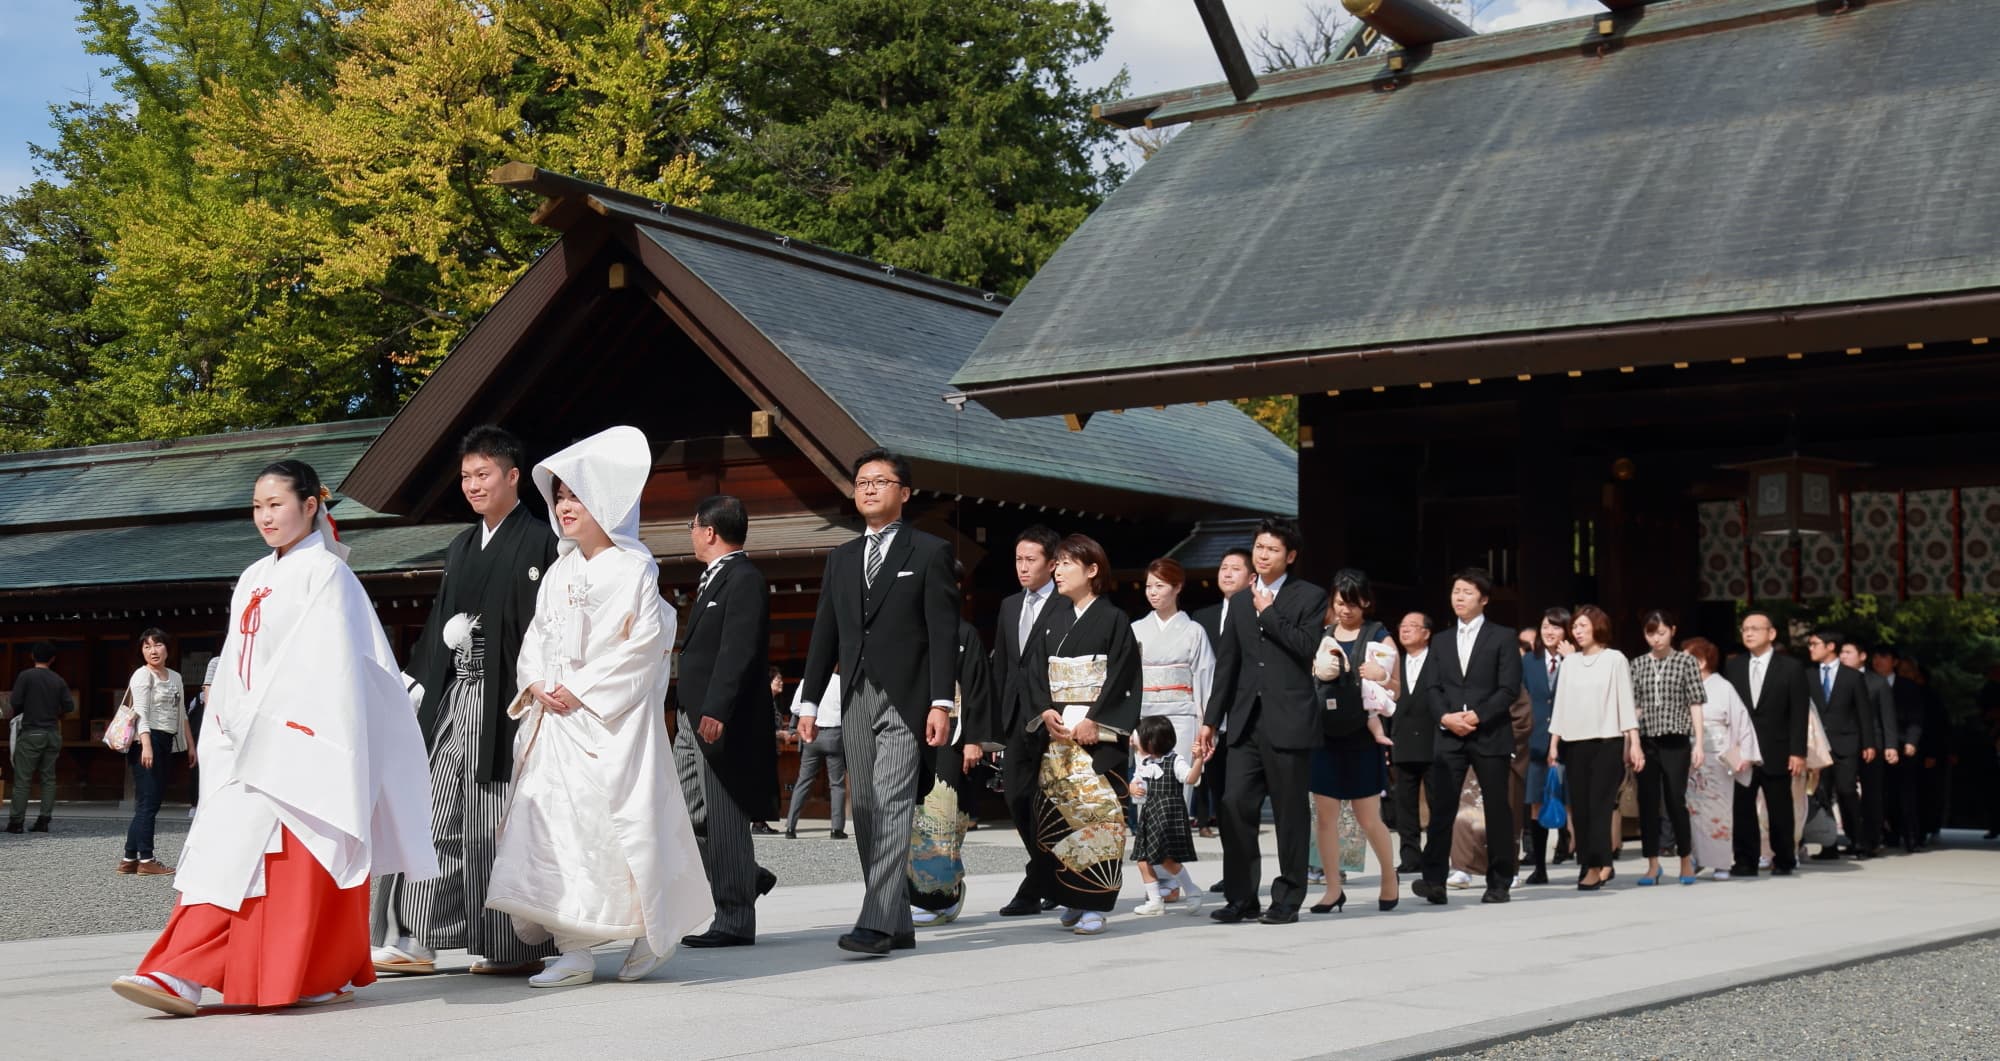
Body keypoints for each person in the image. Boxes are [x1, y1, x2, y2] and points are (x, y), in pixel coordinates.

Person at [111, 460, 436, 1016]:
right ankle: (286, 971)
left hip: (299, 740)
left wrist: (272, 724)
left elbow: (332, 665)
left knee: (262, 861)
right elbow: (236, 661)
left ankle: (182, 972)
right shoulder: (254, 576)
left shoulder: (329, 575)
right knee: (236, 856)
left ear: (311, 506)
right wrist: (226, 723)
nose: (265, 516)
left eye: (276, 504)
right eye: (257, 506)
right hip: (244, 739)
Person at [482, 426, 713, 988]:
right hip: (553, 724)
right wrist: (536, 682)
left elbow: (645, 645)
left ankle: (647, 931)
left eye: (575, 496)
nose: (563, 506)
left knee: (615, 828)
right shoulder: (559, 571)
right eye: (559, 496)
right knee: (554, 831)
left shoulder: (635, 569)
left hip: (607, 725)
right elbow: (536, 637)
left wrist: (582, 690)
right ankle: (575, 947)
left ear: (605, 502)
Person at [374, 425, 560, 978]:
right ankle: (413, 936)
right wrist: (421, 675)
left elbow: (546, 629)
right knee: (431, 809)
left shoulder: (541, 542)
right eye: (465, 477)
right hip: (456, 694)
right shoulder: (460, 545)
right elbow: (438, 625)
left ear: (513, 476)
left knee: (492, 821)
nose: (473, 485)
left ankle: (510, 942)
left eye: (483, 474)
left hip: (510, 701)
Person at [795, 448, 958, 957]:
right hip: (855, 696)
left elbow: (942, 631)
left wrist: (940, 703)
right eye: (861, 481)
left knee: (890, 803)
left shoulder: (929, 552)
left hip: (908, 698)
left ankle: (877, 923)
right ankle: (896, 919)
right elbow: (825, 631)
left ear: (904, 493)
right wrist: (808, 701)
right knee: (864, 806)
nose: (868, 489)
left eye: (881, 481)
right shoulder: (841, 558)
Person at [1198, 517, 1329, 925]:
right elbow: (1228, 665)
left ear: (1289, 556)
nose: (1263, 554)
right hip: (1244, 721)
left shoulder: (1310, 596)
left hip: (1288, 720)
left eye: (1272, 549)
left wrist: (1270, 612)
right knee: (1234, 805)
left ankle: (1287, 898)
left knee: (1291, 812)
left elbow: (1306, 648)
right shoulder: (1238, 600)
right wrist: (1210, 720)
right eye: (1259, 547)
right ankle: (1241, 897)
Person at [674, 494, 782, 949]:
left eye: (694, 526)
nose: (692, 534)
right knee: (678, 812)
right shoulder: (711, 579)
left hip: (719, 720)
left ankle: (736, 918)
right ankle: (747, 874)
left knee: (722, 817)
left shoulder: (743, 579)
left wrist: (717, 708)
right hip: (689, 716)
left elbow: (739, 649)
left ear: (710, 531)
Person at [1025, 533, 1141, 936]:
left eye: (1066, 564)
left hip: (1095, 736)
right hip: (1058, 736)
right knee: (1059, 814)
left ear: (1092, 570)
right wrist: (1044, 710)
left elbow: (1125, 676)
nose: (1056, 570)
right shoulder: (1052, 618)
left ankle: (1095, 902)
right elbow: (1035, 671)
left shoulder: (1113, 619)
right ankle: (1072, 895)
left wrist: (1098, 719)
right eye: (1055, 563)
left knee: (1100, 814)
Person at [1413, 568, 1523, 906]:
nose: (1459, 597)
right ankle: (1434, 881)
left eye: (1467, 592)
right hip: (1449, 735)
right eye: (1456, 591)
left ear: (1484, 599)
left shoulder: (1503, 637)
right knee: (1442, 807)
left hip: (1489, 733)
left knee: (1497, 809)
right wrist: (1446, 716)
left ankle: (1499, 881)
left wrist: (1477, 715)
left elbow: (1508, 688)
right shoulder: (1442, 640)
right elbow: (1431, 686)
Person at [1305, 569, 1401, 914]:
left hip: (1362, 734)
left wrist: (1383, 676)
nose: (1345, 610)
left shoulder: (1380, 637)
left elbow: (1397, 691)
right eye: (1339, 602)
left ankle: (1389, 878)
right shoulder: (1323, 635)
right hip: (1325, 734)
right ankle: (1333, 888)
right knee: (1325, 818)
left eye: (1352, 603)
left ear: (1366, 603)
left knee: (1367, 816)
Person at [988, 525, 1072, 916]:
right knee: (1017, 798)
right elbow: (1003, 666)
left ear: (1052, 564)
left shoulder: (1068, 604)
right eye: (1018, 560)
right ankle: (1047, 874)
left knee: (1056, 804)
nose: (1022, 567)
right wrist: (994, 726)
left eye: (1030, 560)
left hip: (1056, 718)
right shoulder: (1008, 606)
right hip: (1017, 718)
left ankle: (1036, 884)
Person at [908, 570, 995, 926]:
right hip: (912, 731)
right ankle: (914, 893)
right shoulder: (909, 631)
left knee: (941, 814)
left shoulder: (964, 633)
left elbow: (978, 689)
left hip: (953, 732)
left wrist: (974, 739)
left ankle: (941, 896)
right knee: (910, 816)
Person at [1545, 605, 1641, 891]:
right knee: (1582, 808)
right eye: (1575, 627)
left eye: (1583, 626)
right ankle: (1593, 862)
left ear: (1598, 627)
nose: (1577, 631)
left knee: (1600, 806)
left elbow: (1625, 701)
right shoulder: (1570, 663)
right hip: (1575, 742)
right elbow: (1561, 704)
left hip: (1607, 741)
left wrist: (1633, 742)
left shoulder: (1615, 659)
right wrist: (1553, 743)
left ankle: (1595, 865)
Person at [1723, 611, 1808, 878]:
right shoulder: (1734, 667)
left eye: (1755, 629)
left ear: (1771, 634)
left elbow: (1798, 713)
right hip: (1744, 751)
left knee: (1779, 807)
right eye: (1745, 629)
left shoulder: (1791, 668)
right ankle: (1745, 860)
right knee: (1742, 807)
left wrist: (1798, 751)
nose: (1748, 633)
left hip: (1778, 748)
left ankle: (1784, 858)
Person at [1131, 558, 1215, 821]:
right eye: (1148, 586)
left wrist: (1206, 725)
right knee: (1146, 786)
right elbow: (1128, 681)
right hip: (1145, 716)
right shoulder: (1136, 630)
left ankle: (1171, 855)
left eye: (1160, 585)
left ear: (1178, 587)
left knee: (1177, 789)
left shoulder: (1193, 631)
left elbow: (1205, 678)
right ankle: (1152, 854)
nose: (1152, 592)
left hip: (1182, 716)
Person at [1630, 610, 1706, 886]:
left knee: (1676, 799)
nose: (1656, 638)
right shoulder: (1637, 664)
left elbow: (1695, 702)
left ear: (1672, 630)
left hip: (1676, 739)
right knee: (1647, 802)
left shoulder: (1686, 662)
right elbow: (1633, 707)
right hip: (1647, 740)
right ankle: (1652, 863)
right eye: (1651, 633)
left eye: (1661, 632)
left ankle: (1686, 858)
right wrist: (1633, 743)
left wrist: (1699, 742)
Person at [1681, 637, 1761, 879]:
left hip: (1716, 755)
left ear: (1702, 661)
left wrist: (1746, 753)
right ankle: (1695, 857)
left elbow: (1741, 721)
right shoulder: (1684, 687)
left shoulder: (1722, 687)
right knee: (1693, 809)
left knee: (1718, 809)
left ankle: (1721, 862)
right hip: (1692, 756)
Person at [1189, 547, 1249, 848]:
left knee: (1240, 797)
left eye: (1235, 568)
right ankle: (1231, 870)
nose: (1226, 573)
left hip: (1244, 715)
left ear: (1252, 578)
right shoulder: (1201, 618)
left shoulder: (1257, 612)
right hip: (1209, 719)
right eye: (1223, 567)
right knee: (1219, 792)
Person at [120, 629, 192, 876]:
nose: (153, 650)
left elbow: (181, 713)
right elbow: (140, 712)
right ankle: (146, 859)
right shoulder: (142, 675)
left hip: (165, 740)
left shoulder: (175, 677)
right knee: (149, 803)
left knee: (147, 803)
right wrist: (147, 745)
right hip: (146, 741)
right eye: (147, 646)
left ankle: (129, 858)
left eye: (158, 645)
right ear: (142, 651)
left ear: (167, 649)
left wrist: (190, 744)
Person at [1803, 628, 1879, 860]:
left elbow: (1863, 713)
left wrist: (1869, 743)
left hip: (1846, 743)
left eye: (1815, 644)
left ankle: (1859, 841)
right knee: (1820, 795)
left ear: (1830, 646)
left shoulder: (1853, 676)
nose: (1811, 648)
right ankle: (1829, 844)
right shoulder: (1808, 675)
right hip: (1818, 746)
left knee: (1847, 791)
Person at [1129, 715, 1204, 916]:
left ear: (1152, 741)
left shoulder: (1175, 760)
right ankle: (1154, 900)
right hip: (1150, 814)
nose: (1136, 743)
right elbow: (1135, 780)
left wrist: (1198, 760)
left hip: (1168, 814)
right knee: (1142, 859)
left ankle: (1191, 890)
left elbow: (1191, 778)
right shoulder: (1145, 762)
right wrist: (1133, 788)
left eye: (1140, 739)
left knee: (1165, 859)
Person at [1519, 609, 1570, 884]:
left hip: (1571, 740)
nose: (1549, 632)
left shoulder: (1576, 661)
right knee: (1536, 803)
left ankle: (1585, 860)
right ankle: (1540, 866)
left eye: (1556, 627)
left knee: (1574, 802)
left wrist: (1573, 660)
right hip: (1536, 740)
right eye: (1545, 626)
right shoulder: (1529, 661)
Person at [7, 641, 73, 833]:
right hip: (52, 733)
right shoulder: (58, 680)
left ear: (32, 656)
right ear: (53, 659)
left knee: (23, 779)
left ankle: (16, 822)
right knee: (49, 779)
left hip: (31, 732)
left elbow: (15, 701)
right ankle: (43, 820)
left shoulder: (25, 676)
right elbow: (69, 707)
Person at [1388, 612, 1437, 874]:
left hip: (1433, 741)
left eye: (1412, 627)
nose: (1405, 631)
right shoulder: (1395, 663)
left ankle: (1435, 854)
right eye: (1402, 626)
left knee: (1437, 802)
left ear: (1426, 633)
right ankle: (1410, 856)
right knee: (1404, 805)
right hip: (1403, 741)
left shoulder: (1439, 662)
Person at [1843, 638, 1896, 857]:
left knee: (1872, 793)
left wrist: (1891, 745)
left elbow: (1887, 715)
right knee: (1845, 789)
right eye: (1841, 653)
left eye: (1848, 652)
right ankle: (1854, 836)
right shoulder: (1838, 680)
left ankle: (1872, 839)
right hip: (1845, 743)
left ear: (1862, 656)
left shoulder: (1877, 682)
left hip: (1873, 742)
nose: (1843, 656)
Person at [1872, 645, 1925, 852]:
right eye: (1875, 656)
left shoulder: (1908, 686)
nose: (1878, 660)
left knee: (1905, 793)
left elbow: (1916, 717)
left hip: (1902, 745)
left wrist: (1912, 741)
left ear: (1894, 662)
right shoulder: (1867, 682)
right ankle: (1886, 834)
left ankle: (1911, 836)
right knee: (1880, 793)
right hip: (1876, 745)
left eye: (1883, 656)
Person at [784, 670, 848, 841]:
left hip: (812, 732)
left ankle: (790, 826)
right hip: (835, 734)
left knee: (803, 781)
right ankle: (836, 829)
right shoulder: (841, 682)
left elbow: (795, 707)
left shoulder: (807, 680)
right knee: (837, 785)